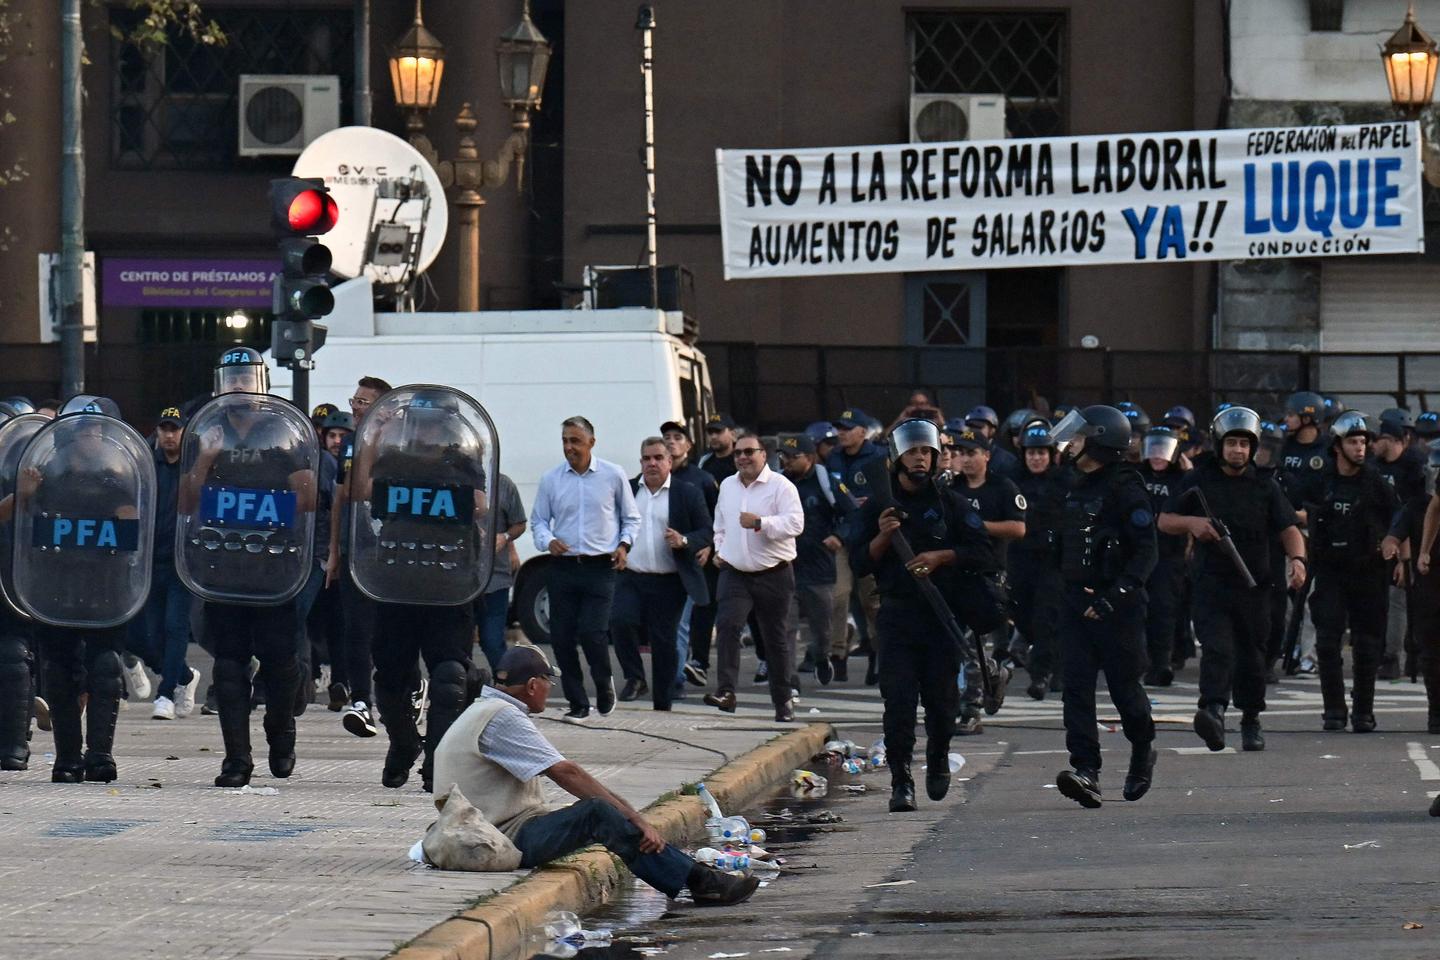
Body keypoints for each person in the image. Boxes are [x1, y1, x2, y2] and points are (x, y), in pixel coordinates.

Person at [432, 646, 760, 906]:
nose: (549, 689)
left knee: (604, 815)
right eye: (548, 682)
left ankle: (694, 875)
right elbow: (566, 772)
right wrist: (635, 818)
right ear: (532, 685)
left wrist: (628, 818)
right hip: (498, 839)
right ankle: (700, 882)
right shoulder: (503, 717)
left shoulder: (484, 709)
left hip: (486, 831)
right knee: (598, 813)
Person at [178, 351, 319, 787]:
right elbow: (186, 500)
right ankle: (236, 760)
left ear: (262, 383)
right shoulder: (206, 429)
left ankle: (281, 730)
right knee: (228, 666)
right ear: (220, 382)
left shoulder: (282, 431)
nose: (238, 384)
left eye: (246, 377)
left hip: (274, 568)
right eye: (232, 377)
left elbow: (308, 498)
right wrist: (207, 458)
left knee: (281, 662)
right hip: (224, 567)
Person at [849, 418, 1002, 812]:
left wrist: (942, 556)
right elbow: (858, 562)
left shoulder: (952, 504)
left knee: (941, 701)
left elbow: (983, 553)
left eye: (926, 452)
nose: (920, 458)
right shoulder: (879, 505)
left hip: (941, 617)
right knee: (898, 702)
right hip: (897, 616)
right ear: (897, 457)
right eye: (912, 451)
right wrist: (883, 535)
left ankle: (938, 758)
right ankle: (901, 780)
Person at [348, 387, 494, 790]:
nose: (428, 432)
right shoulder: (394, 458)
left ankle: (438, 762)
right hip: (396, 579)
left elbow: (481, 505)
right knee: (390, 676)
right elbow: (359, 491)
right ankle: (404, 743)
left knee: (449, 676)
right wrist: (373, 436)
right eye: (421, 425)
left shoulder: (462, 461)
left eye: (435, 425)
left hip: (449, 582)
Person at [20, 396, 155, 783]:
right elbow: (21, 523)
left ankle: (99, 756)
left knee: (106, 668)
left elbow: (133, 529)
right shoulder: (47, 478)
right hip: (57, 584)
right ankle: (66, 758)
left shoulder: (119, 479)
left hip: (105, 586)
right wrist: (25, 493)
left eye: (95, 429)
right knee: (59, 671)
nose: (89, 437)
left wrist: (127, 516)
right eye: (82, 430)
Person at [1160, 407, 1306, 752]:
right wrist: (1193, 524)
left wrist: (1298, 561)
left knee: (1253, 657)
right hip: (1211, 583)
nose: (1238, 450)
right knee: (1217, 649)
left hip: (1255, 586)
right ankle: (1213, 710)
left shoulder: (1265, 485)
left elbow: (1288, 528)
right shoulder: (1198, 479)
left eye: (1244, 444)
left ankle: (1251, 719)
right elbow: (1165, 519)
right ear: (1219, 444)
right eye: (1231, 443)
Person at [1049, 405, 1158, 809]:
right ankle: (1086, 770)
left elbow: (1146, 552)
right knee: (1075, 688)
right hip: (1076, 601)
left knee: (1124, 689)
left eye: (1078, 437)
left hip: (1118, 607)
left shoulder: (1126, 489)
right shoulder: (1073, 486)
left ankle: (1142, 749)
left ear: (1099, 441)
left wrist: (1116, 597)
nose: (1070, 444)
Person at [531, 416, 639, 721]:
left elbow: (631, 517)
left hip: (599, 567)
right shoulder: (551, 479)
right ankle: (577, 701)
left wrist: (624, 545)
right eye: (565, 441)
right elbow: (538, 520)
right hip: (563, 566)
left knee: (593, 633)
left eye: (575, 441)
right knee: (562, 637)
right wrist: (548, 540)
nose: (569, 447)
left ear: (591, 442)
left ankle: (603, 683)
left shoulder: (613, 475)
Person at [1294, 412, 1397, 732]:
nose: (1360, 447)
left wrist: (1393, 550)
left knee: (1367, 645)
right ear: (1337, 446)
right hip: (1330, 570)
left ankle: (1363, 711)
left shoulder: (1376, 483)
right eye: (1353, 442)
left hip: (1368, 571)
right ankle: (1334, 709)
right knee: (1327, 641)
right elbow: (1296, 512)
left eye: (1363, 442)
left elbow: (1398, 518)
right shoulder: (1321, 481)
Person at [703, 433, 804, 720]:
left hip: (774, 572)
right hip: (735, 572)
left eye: (749, 452)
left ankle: (783, 700)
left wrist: (761, 522)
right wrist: (720, 549)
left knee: (774, 638)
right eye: (738, 453)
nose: (742, 458)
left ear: (763, 454)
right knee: (727, 626)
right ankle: (726, 692)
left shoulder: (781, 486)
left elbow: (796, 523)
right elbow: (720, 524)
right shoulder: (728, 485)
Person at [611, 438, 711, 710]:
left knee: (663, 640)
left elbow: (706, 531)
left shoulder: (686, 493)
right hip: (632, 575)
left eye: (658, 458)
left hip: (669, 579)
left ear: (669, 461)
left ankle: (663, 701)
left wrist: (684, 540)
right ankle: (635, 677)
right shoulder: (629, 490)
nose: (652, 463)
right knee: (620, 621)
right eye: (646, 458)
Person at [326, 375, 393, 735]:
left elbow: (364, 491)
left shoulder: (398, 444)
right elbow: (342, 496)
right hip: (356, 548)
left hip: (389, 550)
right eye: (354, 400)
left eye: (363, 402)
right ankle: (361, 700)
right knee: (355, 628)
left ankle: (403, 691)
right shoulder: (351, 443)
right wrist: (335, 549)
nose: (354, 407)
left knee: (387, 632)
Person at [951, 427, 1025, 730]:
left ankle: (971, 708)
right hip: (954, 570)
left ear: (986, 456)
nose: (965, 459)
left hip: (988, 573)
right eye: (960, 453)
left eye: (971, 453)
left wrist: (978, 525)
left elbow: (1018, 528)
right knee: (956, 641)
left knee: (974, 640)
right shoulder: (952, 487)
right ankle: (993, 671)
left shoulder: (1002, 487)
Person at [141, 406, 200, 721]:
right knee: (152, 634)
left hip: (182, 560)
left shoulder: (193, 466)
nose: (169, 435)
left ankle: (164, 694)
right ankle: (185, 677)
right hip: (152, 559)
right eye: (164, 429)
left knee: (175, 626)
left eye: (174, 429)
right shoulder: (148, 465)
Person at [778, 433, 851, 685]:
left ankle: (821, 656)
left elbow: (853, 514)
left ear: (809, 458)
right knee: (785, 628)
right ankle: (789, 681)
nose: (786, 461)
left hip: (819, 568)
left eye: (792, 456)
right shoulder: (779, 484)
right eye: (783, 456)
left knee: (822, 629)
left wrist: (839, 536)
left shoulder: (825, 482)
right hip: (786, 567)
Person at [827, 408, 885, 684]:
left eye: (848, 428)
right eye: (840, 428)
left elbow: (880, 497)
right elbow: (837, 497)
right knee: (838, 596)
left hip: (869, 536)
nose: (842, 433)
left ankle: (878, 651)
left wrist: (867, 505)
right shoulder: (834, 457)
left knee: (871, 600)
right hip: (842, 535)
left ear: (863, 432)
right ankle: (837, 654)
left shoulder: (878, 456)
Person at [662, 420, 719, 692]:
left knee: (683, 623)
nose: (671, 442)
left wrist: (708, 546)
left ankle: (677, 678)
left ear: (689, 445)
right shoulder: (652, 477)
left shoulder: (702, 480)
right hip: (658, 562)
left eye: (677, 437)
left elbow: (716, 520)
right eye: (667, 437)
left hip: (690, 560)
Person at [1011, 422, 1065, 700]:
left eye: (1041, 453)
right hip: (1020, 558)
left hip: (1052, 561)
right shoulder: (1012, 481)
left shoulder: (1064, 482)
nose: (1036, 458)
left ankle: (1041, 674)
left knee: (1047, 617)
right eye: (1031, 453)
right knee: (1022, 615)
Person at [1279, 390, 1328, 675]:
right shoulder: (1282, 447)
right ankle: (1289, 646)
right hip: (1283, 529)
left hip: (1314, 530)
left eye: (1292, 415)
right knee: (1282, 594)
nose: (1287, 420)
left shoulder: (1327, 451)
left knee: (1310, 598)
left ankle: (1310, 655)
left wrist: (1307, 515)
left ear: (1308, 417)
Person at [1372, 415, 1424, 681]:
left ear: (1391, 440)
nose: (1372, 445)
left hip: (1408, 541)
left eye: (1378, 439)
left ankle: (1397, 657)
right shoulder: (1374, 468)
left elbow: (1410, 513)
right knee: (1385, 602)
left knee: (1400, 601)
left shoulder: (1413, 468)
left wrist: (1407, 558)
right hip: (1380, 541)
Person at [1138, 425, 1188, 687]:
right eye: (1153, 448)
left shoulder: (1181, 480)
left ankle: (1161, 663)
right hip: (1137, 551)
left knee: (1163, 610)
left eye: (1164, 449)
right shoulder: (1137, 476)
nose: (1158, 455)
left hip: (1169, 555)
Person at [474, 470, 527, 674]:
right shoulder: (453, 478)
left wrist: (504, 537)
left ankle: (507, 684)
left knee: (492, 642)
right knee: (458, 645)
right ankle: (460, 687)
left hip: (495, 578)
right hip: (461, 582)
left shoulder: (504, 484)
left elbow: (519, 523)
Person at [697, 414, 739, 486]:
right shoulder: (704, 462)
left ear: (733, 434)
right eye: (710, 432)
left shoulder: (741, 459)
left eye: (718, 431)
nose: (713, 436)